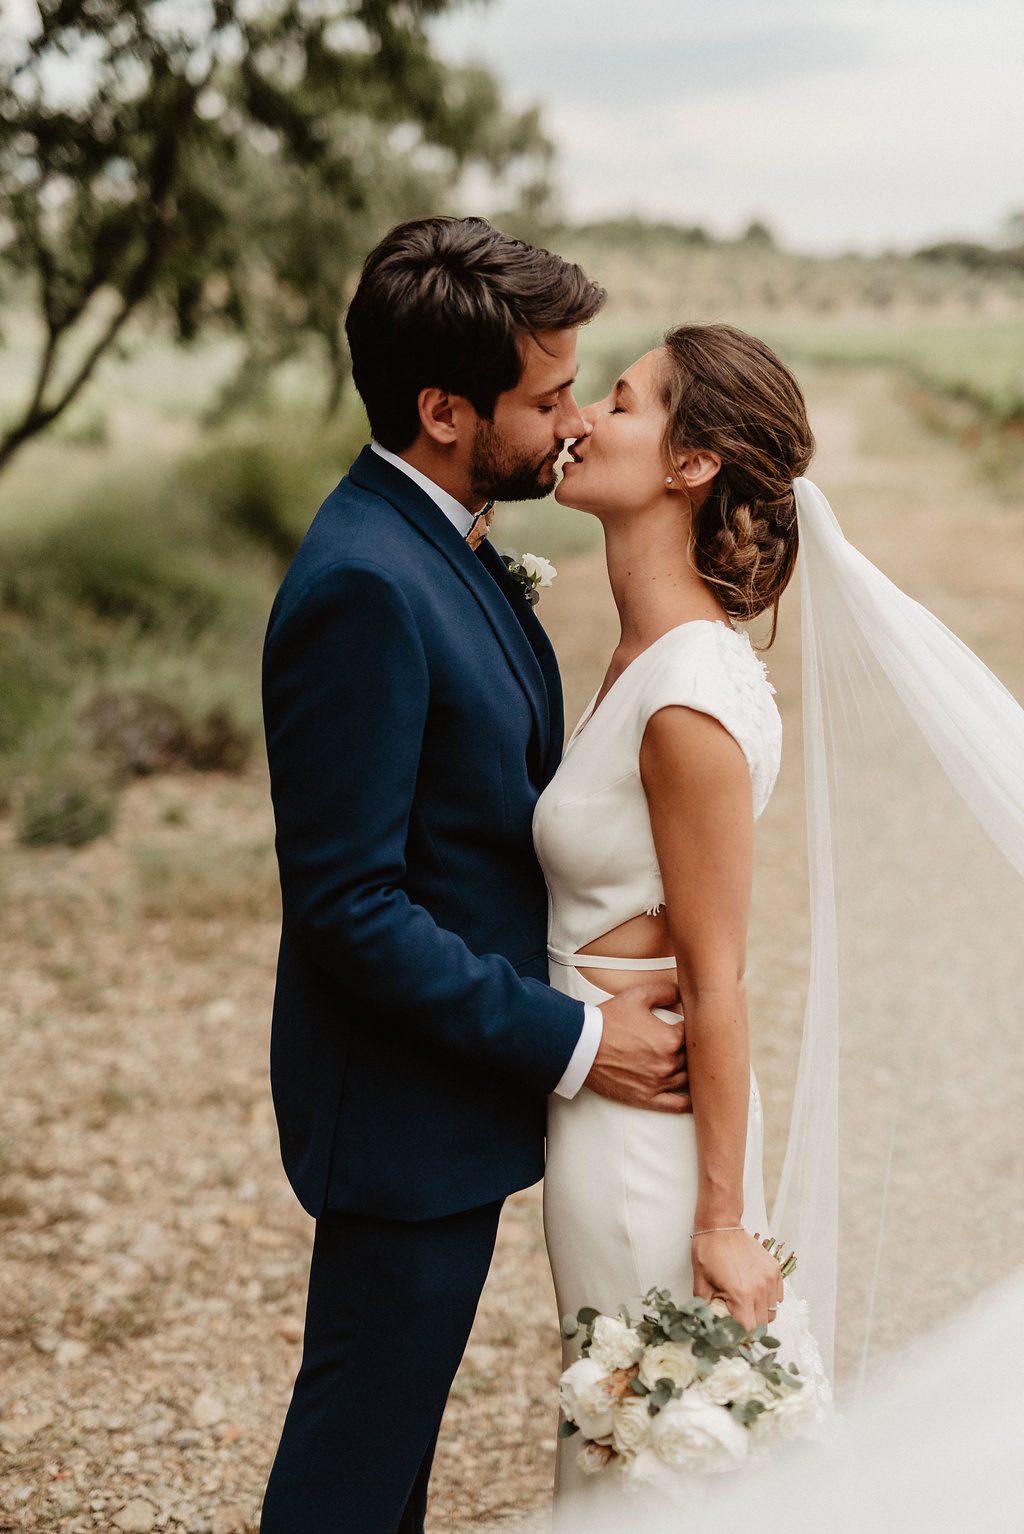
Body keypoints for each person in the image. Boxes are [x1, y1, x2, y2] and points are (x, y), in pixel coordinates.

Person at [258, 216, 689, 1534]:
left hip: (442, 1103)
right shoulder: (365, 587)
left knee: (387, 1468)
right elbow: (351, 906)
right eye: (547, 394)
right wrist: (574, 1038)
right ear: (444, 408)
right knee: (351, 1465)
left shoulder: (443, 534)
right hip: (399, 1114)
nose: (570, 417)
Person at [534, 324, 826, 1511]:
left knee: (644, 1462)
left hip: (646, 1147)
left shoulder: (686, 696)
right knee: (621, 1447)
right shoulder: (644, 653)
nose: (582, 421)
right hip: (599, 1098)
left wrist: (721, 1223)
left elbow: (718, 980)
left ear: (692, 462)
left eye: (619, 400)